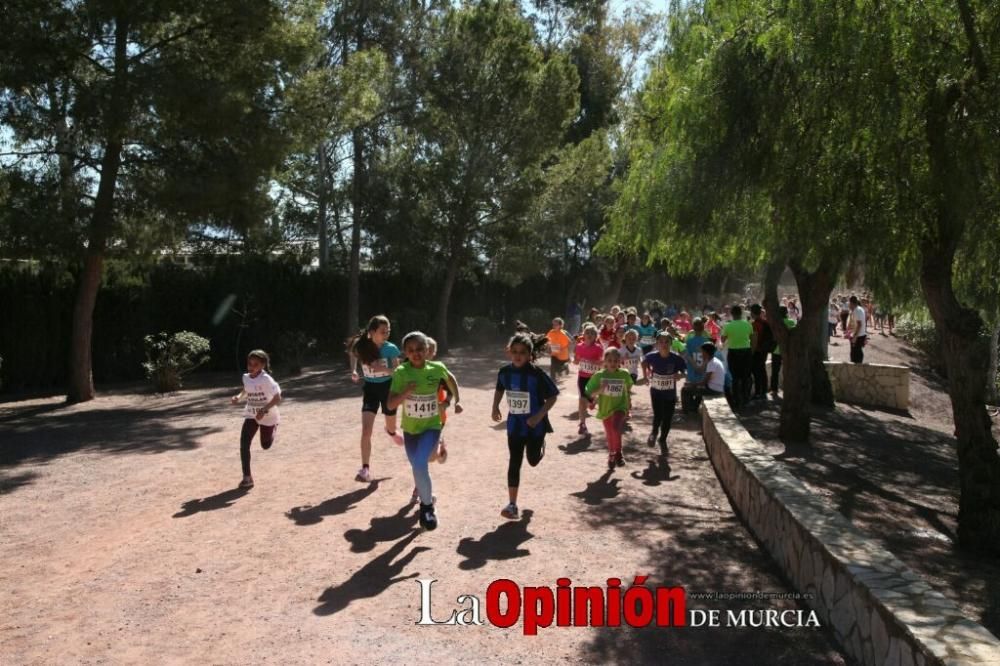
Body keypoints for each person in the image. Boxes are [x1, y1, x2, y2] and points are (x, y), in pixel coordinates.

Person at [388, 331, 462, 530]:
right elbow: (390, 403)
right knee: (418, 466)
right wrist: (406, 392)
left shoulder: (437, 368)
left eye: (420, 349)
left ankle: (427, 509)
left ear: (427, 350)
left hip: (432, 426)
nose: (416, 353)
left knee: (420, 463)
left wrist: (456, 399)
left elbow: (451, 380)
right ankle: (429, 497)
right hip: (411, 430)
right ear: (405, 352)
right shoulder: (401, 373)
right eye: (411, 350)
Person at [492, 332, 559, 519]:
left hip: (535, 426)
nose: (518, 355)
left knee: (532, 460)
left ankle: (540, 447)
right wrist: (495, 406)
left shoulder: (537, 375)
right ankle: (512, 505)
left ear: (530, 354)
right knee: (514, 462)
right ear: (509, 352)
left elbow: (553, 396)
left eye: (522, 352)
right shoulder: (505, 372)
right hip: (515, 425)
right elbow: (499, 388)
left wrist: (538, 417)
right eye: (514, 351)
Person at [347, 315, 403, 483]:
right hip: (370, 389)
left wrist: (380, 368)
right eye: (382, 331)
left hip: (388, 389)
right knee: (366, 431)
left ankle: (391, 432)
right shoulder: (362, 345)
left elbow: (398, 371)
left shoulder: (390, 348)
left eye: (388, 331)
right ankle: (365, 469)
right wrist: (354, 370)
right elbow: (353, 354)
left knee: (391, 426)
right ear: (372, 332)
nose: (386, 334)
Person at [231, 350, 282, 489]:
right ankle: (247, 478)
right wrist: (238, 397)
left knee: (265, 445)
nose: (251, 366)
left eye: (255, 364)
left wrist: (264, 410)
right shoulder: (246, 377)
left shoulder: (266, 379)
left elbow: (278, 398)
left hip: (268, 415)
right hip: (251, 414)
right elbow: (246, 389)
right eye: (249, 363)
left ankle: (274, 426)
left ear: (263, 365)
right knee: (244, 443)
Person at [584, 348, 634, 470]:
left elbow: (627, 389)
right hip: (606, 409)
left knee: (616, 427)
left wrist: (628, 405)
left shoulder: (624, 374)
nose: (612, 363)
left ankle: (619, 454)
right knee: (610, 433)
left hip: (620, 407)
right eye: (610, 360)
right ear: (604, 361)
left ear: (620, 362)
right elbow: (589, 393)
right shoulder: (599, 376)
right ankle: (612, 454)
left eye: (615, 360)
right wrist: (597, 395)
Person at [642, 333, 687, 455]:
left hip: (670, 394)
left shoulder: (676, 358)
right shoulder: (652, 356)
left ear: (671, 343)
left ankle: (663, 439)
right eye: (661, 342)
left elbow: (685, 371)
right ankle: (654, 432)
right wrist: (645, 376)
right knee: (658, 414)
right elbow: (644, 362)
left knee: (668, 417)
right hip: (656, 392)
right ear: (657, 344)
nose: (664, 344)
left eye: (667, 342)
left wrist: (680, 375)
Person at [572, 324, 604, 436]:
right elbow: (575, 362)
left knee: (590, 399)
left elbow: (602, 363)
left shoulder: (599, 348)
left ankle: (593, 401)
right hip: (582, 377)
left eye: (592, 333)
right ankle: (582, 424)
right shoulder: (579, 346)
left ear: (596, 336)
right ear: (583, 335)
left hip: (594, 378)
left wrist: (593, 362)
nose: (589, 335)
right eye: (587, 333)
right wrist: (577, 359)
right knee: (582, 401)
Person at [722, 305, 753, 408]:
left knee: (735, 377)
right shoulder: (748, 324)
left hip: (733, 353)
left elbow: (722, 339)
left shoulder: (728, 326)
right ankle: (745, 398)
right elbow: (753, 337)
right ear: (741, 313)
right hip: (746, 352)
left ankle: (736, 400)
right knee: (745, 376)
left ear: (732, 313)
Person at [769, 306, 796, 396]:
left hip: (776, 350)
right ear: (786, 313)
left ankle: (774, 390)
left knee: (775, 371)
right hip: (788, 350)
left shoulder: (775, 323)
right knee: (789, 370)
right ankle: (789, 388)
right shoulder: (791, 322)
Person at [749, 304, 773, 401]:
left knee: (756, 371)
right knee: (762, 370)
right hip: (765, 350)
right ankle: (763, 390)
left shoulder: (755, 324)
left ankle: (758, 392)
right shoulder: (766, 323)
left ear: (752, 313)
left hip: (757, 351)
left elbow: (754, 340)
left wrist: (752, 352)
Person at [848, 295, 868, 364]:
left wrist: (854, 337)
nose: (848, 305)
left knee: (855, 353)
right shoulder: (859, 309)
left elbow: (859, 325)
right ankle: (857, 365)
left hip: (858, 336)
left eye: (849, 303)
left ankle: (857, 367)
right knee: (856, 351)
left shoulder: (857, 310)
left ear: (851, 303)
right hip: (860, 334)